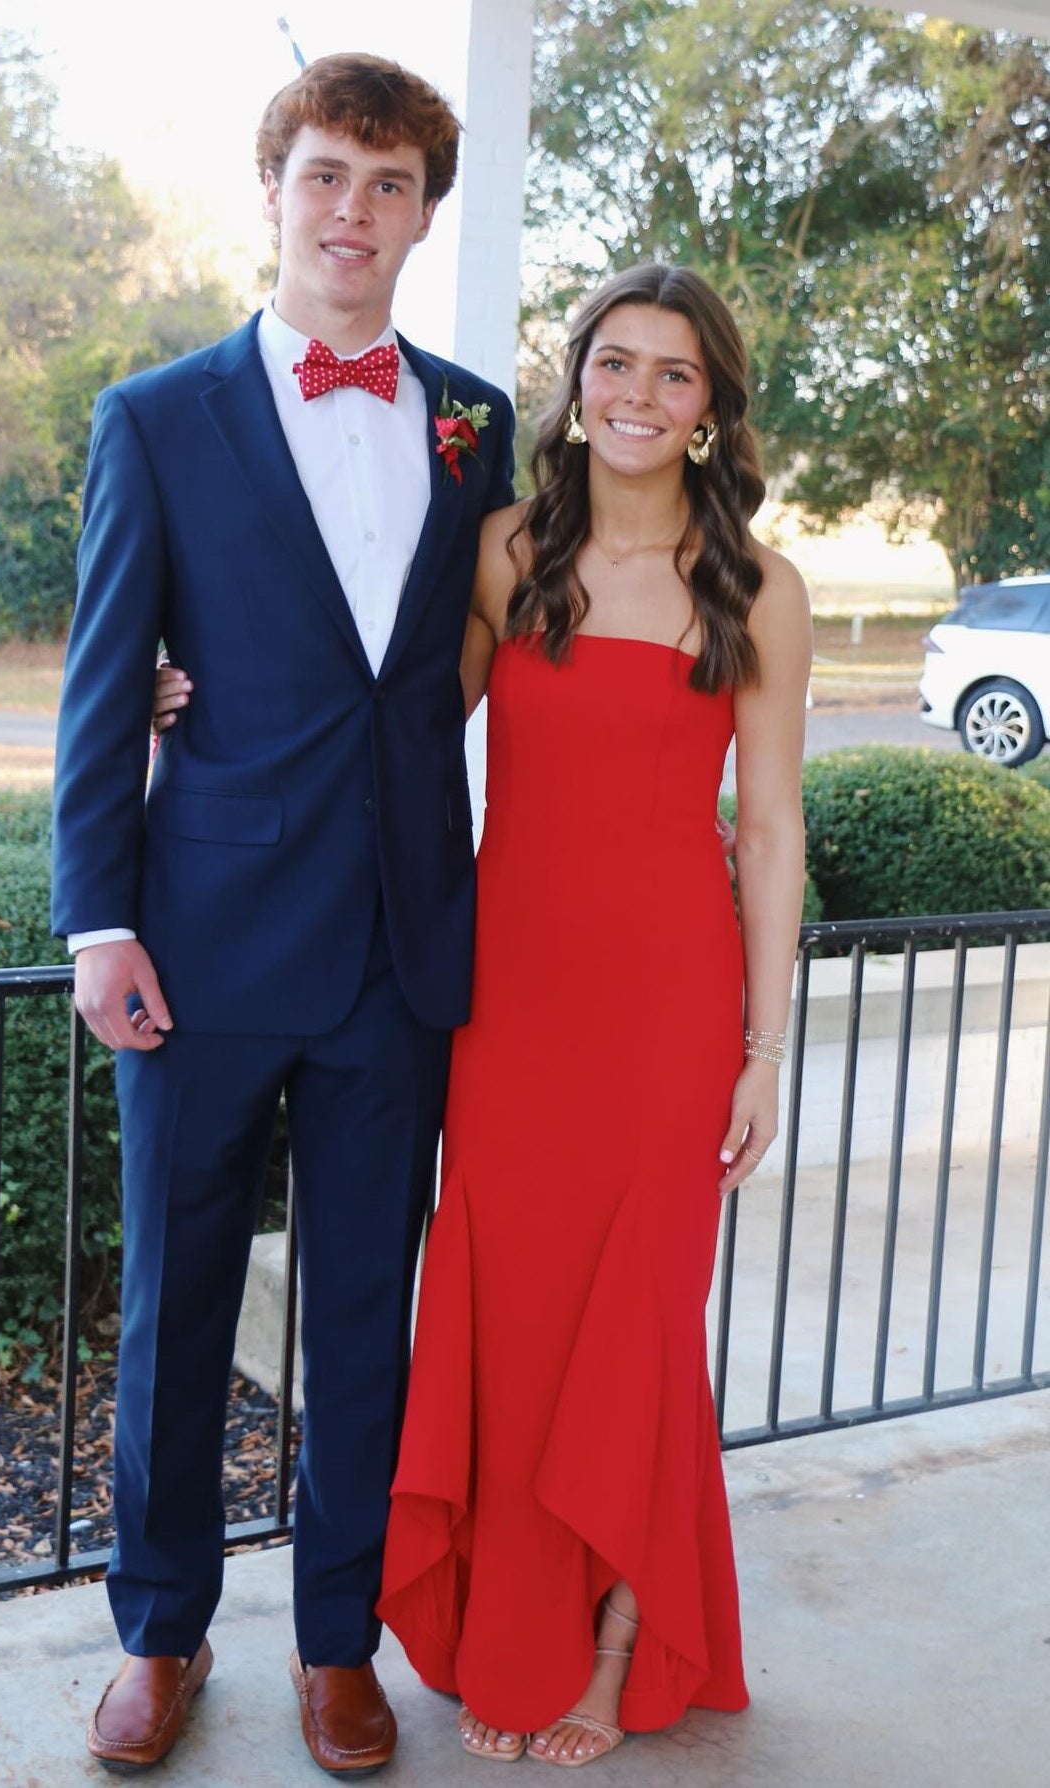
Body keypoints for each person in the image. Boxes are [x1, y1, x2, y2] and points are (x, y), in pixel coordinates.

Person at [50, 53, 514, 1777]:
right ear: (274, 188)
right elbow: (105, 688)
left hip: (400, 948)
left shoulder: (476, 419)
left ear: (419, 215)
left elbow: (447, 669)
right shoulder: (156, 416)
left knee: (364, 1324)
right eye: (327, 176)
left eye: (389, 188)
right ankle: (159, 1636)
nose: (354, 214)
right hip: (204, 946)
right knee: (173, 1309)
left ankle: (340, 1642)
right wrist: (100, 917)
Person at [371, 260, 812, 1767]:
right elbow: (406, 730)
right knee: (514, 1311)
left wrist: (765, 1049)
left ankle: (620, 1636)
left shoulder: (757, 586)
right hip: (516, 1006)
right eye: (614, 364)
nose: (637, 395)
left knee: (635, 1318)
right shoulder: (508, 549)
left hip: (670, 1010)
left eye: (673, 374)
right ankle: (514, 1623)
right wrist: (195, 691)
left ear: (710, 409)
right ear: (578, 380)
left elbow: (769, 832)